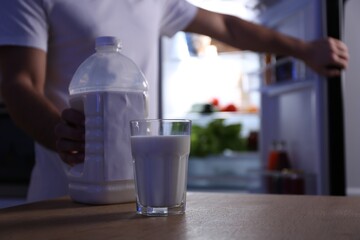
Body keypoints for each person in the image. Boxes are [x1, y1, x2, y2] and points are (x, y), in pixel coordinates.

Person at [0, 0, 349, 203]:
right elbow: (19, 82)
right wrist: (60, 132)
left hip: (144, 195)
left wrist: (303, 49)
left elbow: (226, 26)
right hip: (64, 191)